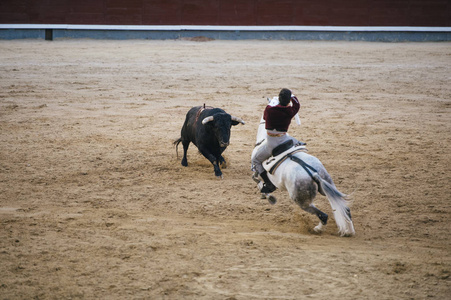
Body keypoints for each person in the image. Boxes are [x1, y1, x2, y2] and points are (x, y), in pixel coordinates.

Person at [252, 88, 303, 193]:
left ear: (279, 98)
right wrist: (292, 96)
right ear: (289, 101)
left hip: (272, 143)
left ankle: (269, 184)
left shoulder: (269, 109)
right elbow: (297, 106)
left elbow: (265, 118)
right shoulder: (290, 111)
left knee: (256, 160)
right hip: (284, 139)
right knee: (297, 142)